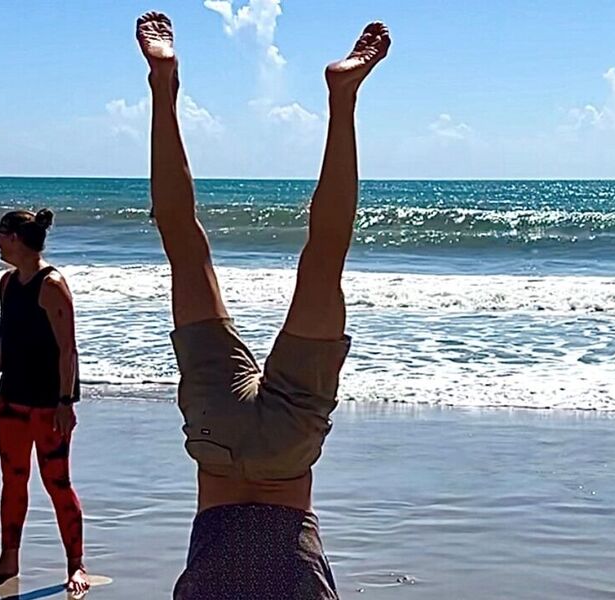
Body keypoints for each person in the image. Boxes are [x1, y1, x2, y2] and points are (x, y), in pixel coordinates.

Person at [136, 11, 390, 598]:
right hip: (216, 439)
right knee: (181, 241)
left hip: (284, 450)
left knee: (325, 256)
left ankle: (343, 100)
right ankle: (162, 87)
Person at [0, 209, 89, 595]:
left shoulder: (51, 285)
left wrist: (66, 402)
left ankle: (76, 564)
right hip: (11, 400)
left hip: (48, 405)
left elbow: (68, 349)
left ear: (15, 238)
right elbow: (4, 341)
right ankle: (8, 558)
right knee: (13, 482)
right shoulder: (7, 283)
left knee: (58, 483)